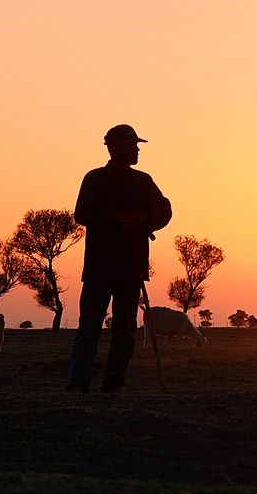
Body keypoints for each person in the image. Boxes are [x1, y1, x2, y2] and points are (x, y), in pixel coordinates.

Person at [67, 124, 172, 393]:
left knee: (125, 330)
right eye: (132, 145)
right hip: (99, 269)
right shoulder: (94, 179)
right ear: (115, 148)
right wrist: (117, 218)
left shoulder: (144, 181)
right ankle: (79, 383)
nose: (137, 150)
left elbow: (165, 210)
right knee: (89, 327)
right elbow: (82, 214)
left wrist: (142, 220)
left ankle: (113, 382)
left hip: (131, 268)